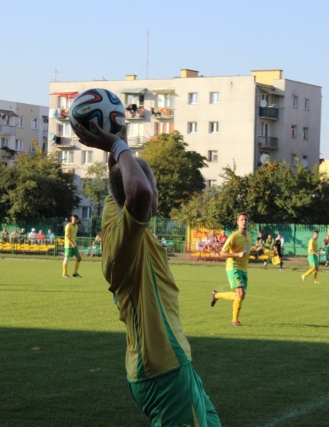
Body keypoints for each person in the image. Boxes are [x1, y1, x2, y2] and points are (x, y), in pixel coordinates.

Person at [73, 119, 220, 426]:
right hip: (164, 368)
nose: (156, 193)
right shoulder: (124, 239)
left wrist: (114, 135)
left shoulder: (114, 215)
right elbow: (137, 191)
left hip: (172, 362)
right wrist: (116, 145)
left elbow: (120, 181)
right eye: (156, 187)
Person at [211, 212, 252, 327]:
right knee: (240, 293)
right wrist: (237, 254)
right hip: (233, 267)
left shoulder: (249, 235)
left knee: (240, 296)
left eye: (246, 220)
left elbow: (246, 250)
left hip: (244, 269)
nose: (244, 221)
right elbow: (222, 253)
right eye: (242, 220)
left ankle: (216, 295)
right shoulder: (234, 236)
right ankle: (235, 320)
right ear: (238, 222)